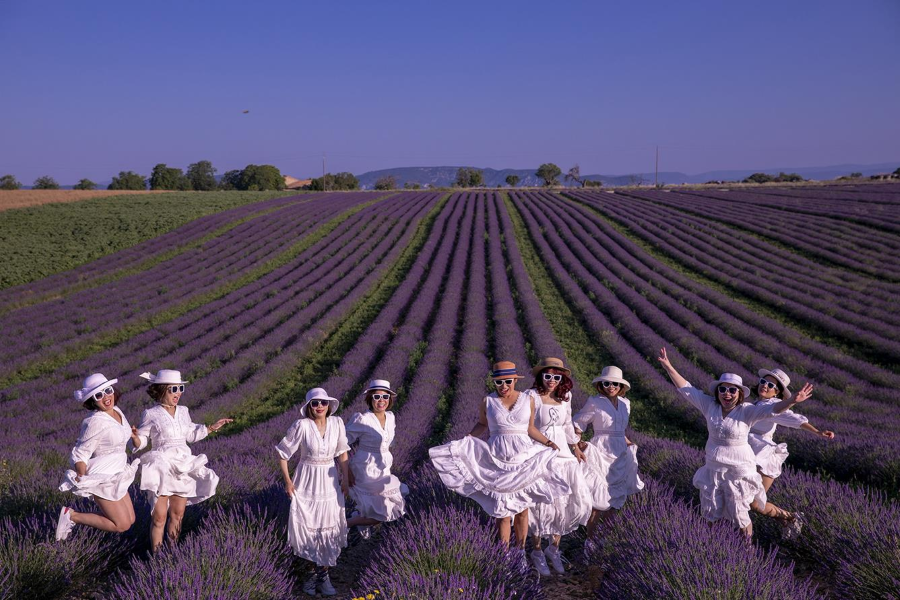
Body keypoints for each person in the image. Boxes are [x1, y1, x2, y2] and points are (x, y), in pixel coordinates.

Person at [657, 349, 811, 539]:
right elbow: (687, 389)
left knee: (740, 515)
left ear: (739, 393)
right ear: (717, 392)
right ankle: (713, 547)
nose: (727, 393)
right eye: (723, 389)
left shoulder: (747, 410)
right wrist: (668, 367)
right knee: (711, 513)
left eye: (732, 390)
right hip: (714, 469)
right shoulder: (710, 406)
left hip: (739, 471)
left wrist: (792, 400)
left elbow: (773, 409)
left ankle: (747, 551)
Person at [428, 361, 570, 554]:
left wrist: (548, 442)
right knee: (502, 512)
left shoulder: (528, 399)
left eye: (508, 381)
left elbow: (530, 428)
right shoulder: (488, 401)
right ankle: (504, 555)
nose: (504, 386)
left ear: (515, 380)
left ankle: (520, 553)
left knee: (522, 510)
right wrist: (467, 438)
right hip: (498, 459)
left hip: (522, 458)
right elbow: (482, 424)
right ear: (494, 382)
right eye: (499, 382)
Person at [133, 369, 232, 552]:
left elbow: (190, 434)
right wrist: (135, 439)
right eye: (174, 389)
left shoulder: (184, 411)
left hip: (183, 464)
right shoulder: (150, 414)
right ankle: (157, 557)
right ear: (161, 389)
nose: (178, 393)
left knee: (178, 514)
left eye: (180, 388)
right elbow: (143, 439)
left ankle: (171, 554)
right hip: (162, 465)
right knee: (159, 517)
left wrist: (212, 428)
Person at [277, 387, 351, 597]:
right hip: (307, 481)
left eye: (323, 402)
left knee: (328, 527)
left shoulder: (337, 423)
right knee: (309, 526)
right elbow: (283, 454)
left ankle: (324, 576)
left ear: (329, 405)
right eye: (315, 403)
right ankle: (310, 575)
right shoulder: (302, 425)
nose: (319, 406)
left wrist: (346, 479)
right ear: (309, 406)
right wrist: (288, 481)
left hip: (329, 481)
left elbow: (342, 453)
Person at [524, 358, 592, 576]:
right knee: (540, 503)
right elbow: (526, 426)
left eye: (557, 377)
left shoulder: (566, 396)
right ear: (541, 376)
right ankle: (537, 551)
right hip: (540, 453)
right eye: (548, 376)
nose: (552, 380)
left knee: (564, 502)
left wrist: (576, 447)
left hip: (563, 454)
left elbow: (567, 424)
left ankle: (554, 548)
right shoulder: (531, 396)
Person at [56, 373, 141, 541]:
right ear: (92, 401)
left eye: (108, 391)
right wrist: (81, 475)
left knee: (131, 519)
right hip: (103, 476)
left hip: (118, 471)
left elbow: (119, 435)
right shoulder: (94, 422)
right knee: (121, 525)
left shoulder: (117, 411)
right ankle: (71, 516)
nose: (106, 397)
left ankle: (73, 516)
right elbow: (80, 452)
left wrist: (132, 435)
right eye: (99, 395)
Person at [572, 365, 644, 541]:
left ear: (621, 386)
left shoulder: (626, 404)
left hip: (620, 452)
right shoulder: (595, 402)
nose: (611, 386)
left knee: (614, 501)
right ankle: (590, 541)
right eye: (607, 383)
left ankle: (604, 540)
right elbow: (578, 423)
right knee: (597, 501)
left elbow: (619, 429)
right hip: (600, 452)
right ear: (601, 385)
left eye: (615, 383)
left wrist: (629, 443)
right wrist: (576, 444)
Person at [751, 368, 834, 493]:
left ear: (776, 392)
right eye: (763, 381)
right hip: (748, 448)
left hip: (762, 453)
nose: (764, 386)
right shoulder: (755, 403)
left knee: (755, 501)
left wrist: (817, 432)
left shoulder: (773, 405)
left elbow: (792, 418)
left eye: (770, 385)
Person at [345, 379, 407, 540]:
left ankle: (355, 521)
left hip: (383, 469)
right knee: (382, 512)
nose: (381, 400)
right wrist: (346, 471)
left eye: (385, 396)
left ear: (389, 399)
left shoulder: (391, 417)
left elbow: (388, 442)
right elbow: (341, 444)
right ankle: (345, 524)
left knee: (385, 507)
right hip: (365, 469)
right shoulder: (362, 419)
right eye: (377, 396)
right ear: (370, 399)